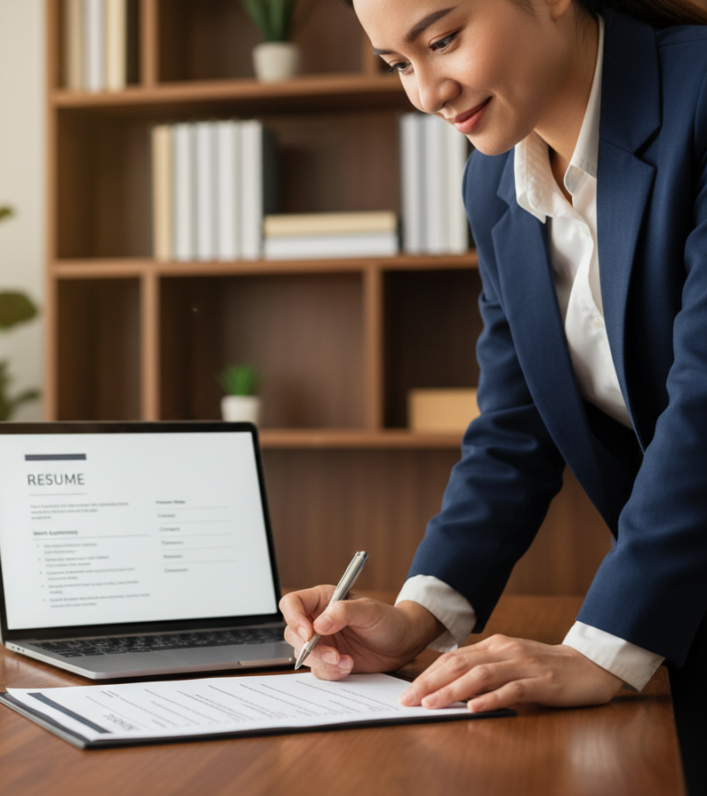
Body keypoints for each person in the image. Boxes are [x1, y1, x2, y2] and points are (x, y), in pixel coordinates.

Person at [279, 0, 707, 789]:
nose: (427, 92)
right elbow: (515, 426)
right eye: (399, 64)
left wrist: (598, 648)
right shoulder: (494, 176)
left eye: (442, 40)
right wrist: (419, 616)